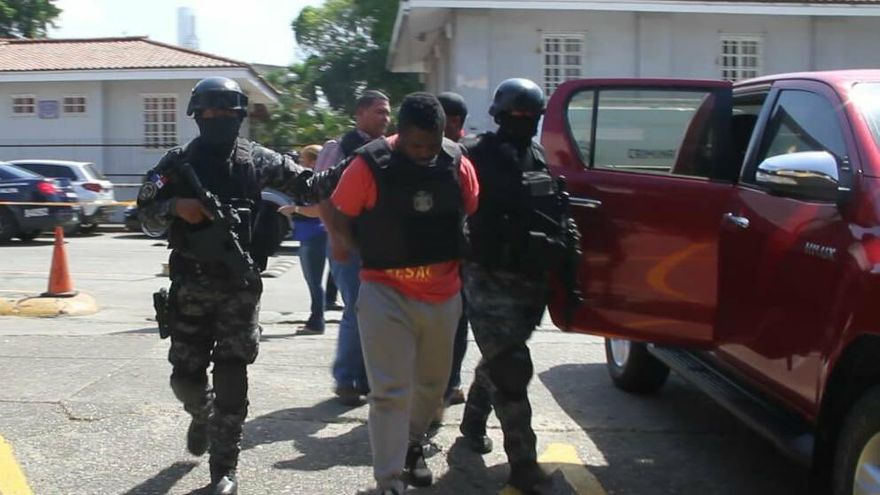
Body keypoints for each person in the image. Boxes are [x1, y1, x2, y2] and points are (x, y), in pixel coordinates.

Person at [137, 76, 312, 495]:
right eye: (209, 112)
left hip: (239, 286)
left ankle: (224, 468)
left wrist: (364, 168)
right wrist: (176, 206)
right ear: (197, 116)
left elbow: (310, 184)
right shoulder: (177, 163)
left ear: (239, 116)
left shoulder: (259, 161)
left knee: (233, 374)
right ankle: (202, 412)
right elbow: (144, 214)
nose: (217, 118)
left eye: (226, 112)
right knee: (185, 378)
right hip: (190, 285)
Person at [321, 93, 479, 494]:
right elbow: (338, 213)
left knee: (433, 387)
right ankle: (388, 479)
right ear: (399, 133)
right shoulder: (368, 165)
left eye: (431, 144)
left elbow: (470, 211)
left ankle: (412, 443)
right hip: (385, 291)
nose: (424, 152)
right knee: (390, 390)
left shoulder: (457, 163)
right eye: (415, 145)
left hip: (443, 293)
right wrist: (350, 247)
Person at [458, 78, 578, 494]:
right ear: (499, 115)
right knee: (511, 367)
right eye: (516, 115)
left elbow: (557, 213)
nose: (523, 121)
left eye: (530, 116)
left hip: (530, 279)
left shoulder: (539, 157)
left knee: (500, 358)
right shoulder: (473, 154)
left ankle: (473, 421)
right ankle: (524, 465)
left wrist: (567, 260)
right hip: (487, 276)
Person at [315, 90, 392, 406]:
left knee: (377, 313)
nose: (385, 118)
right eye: (379, 111)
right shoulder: (340, 148)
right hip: (348, 242)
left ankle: (366, 379)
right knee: (356, 308)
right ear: (359, 114)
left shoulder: (387, 150)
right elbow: (322, 195)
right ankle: (346, 380)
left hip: (378, 244)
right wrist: (336, 238)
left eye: (387, 113)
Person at [436, 92, 470, 407]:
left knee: (456, 324)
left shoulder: (465, 155)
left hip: (455, 259)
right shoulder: (465, 155)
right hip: (447, 258)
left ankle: (449, 384)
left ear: (453, 121)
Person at [279, 144, 327, 335]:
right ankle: (316, 319)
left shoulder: (316, 182)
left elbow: (318, 210)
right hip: (311, 234)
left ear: (313, 161)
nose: (299, 163)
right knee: (314, 281)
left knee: (314, 281)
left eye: (303, 159)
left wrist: (295, 209)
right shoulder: (314, 181)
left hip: (314, 235)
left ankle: (316, 321)